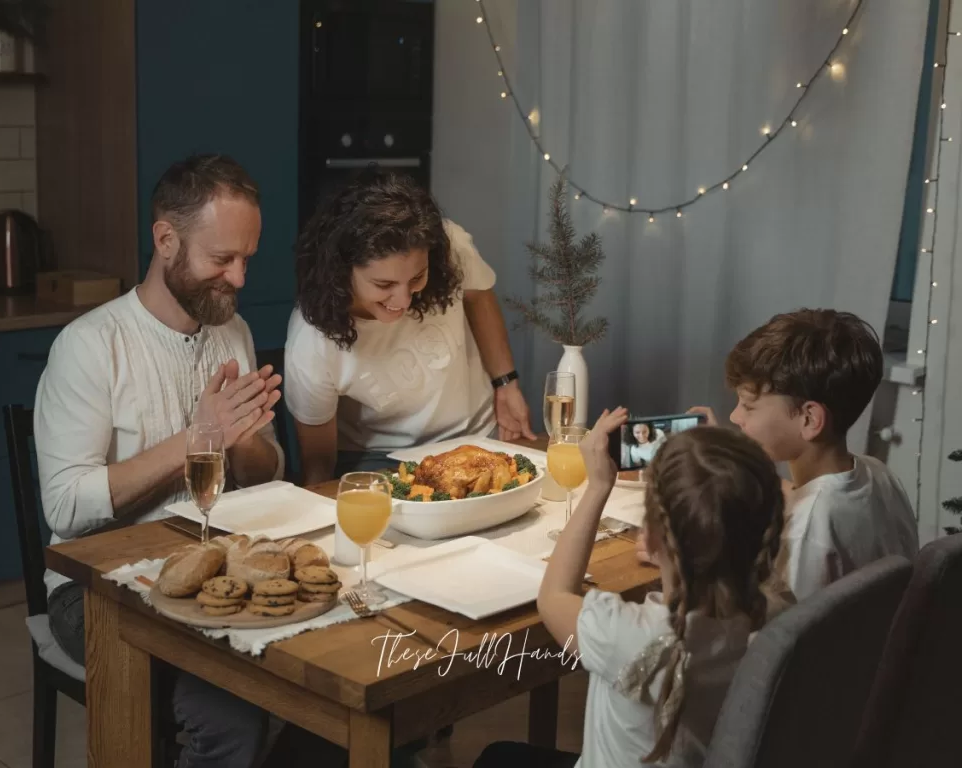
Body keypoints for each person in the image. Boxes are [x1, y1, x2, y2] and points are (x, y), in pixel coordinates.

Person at [34, 154, 285, 768]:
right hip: (94, 588)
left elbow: (266, 475)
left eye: (247, 258)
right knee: (234, 715)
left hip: (214, 565)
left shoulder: (233, 332)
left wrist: (243, 438)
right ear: (166, 239)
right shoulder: (90, 347)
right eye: (222, 259)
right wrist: (197, 438)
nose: (240, 277)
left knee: (322, 678)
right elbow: (65, 508)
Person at [474, 410, 785, 767]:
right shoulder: (773, 613)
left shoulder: (628, 634)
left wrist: (597, 487)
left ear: (650, 536)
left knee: (496, 758)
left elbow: (554, 597)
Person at [284, 171, 534, 485]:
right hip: (380, 460)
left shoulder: (450, 244)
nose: (402, 301)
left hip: (476, 436)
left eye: (416, 279)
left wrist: (506, 383)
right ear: (340, 271)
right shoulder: (311, 340)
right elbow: (318, 465)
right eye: (384, 284)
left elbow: (478, 296)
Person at [689, 308, 919, 601]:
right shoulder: (878, 473)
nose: (735, 416)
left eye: (748, 405)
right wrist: (735, 453)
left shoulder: (806, 533)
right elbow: (806, 496)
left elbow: (783, 641)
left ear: (809, 420)